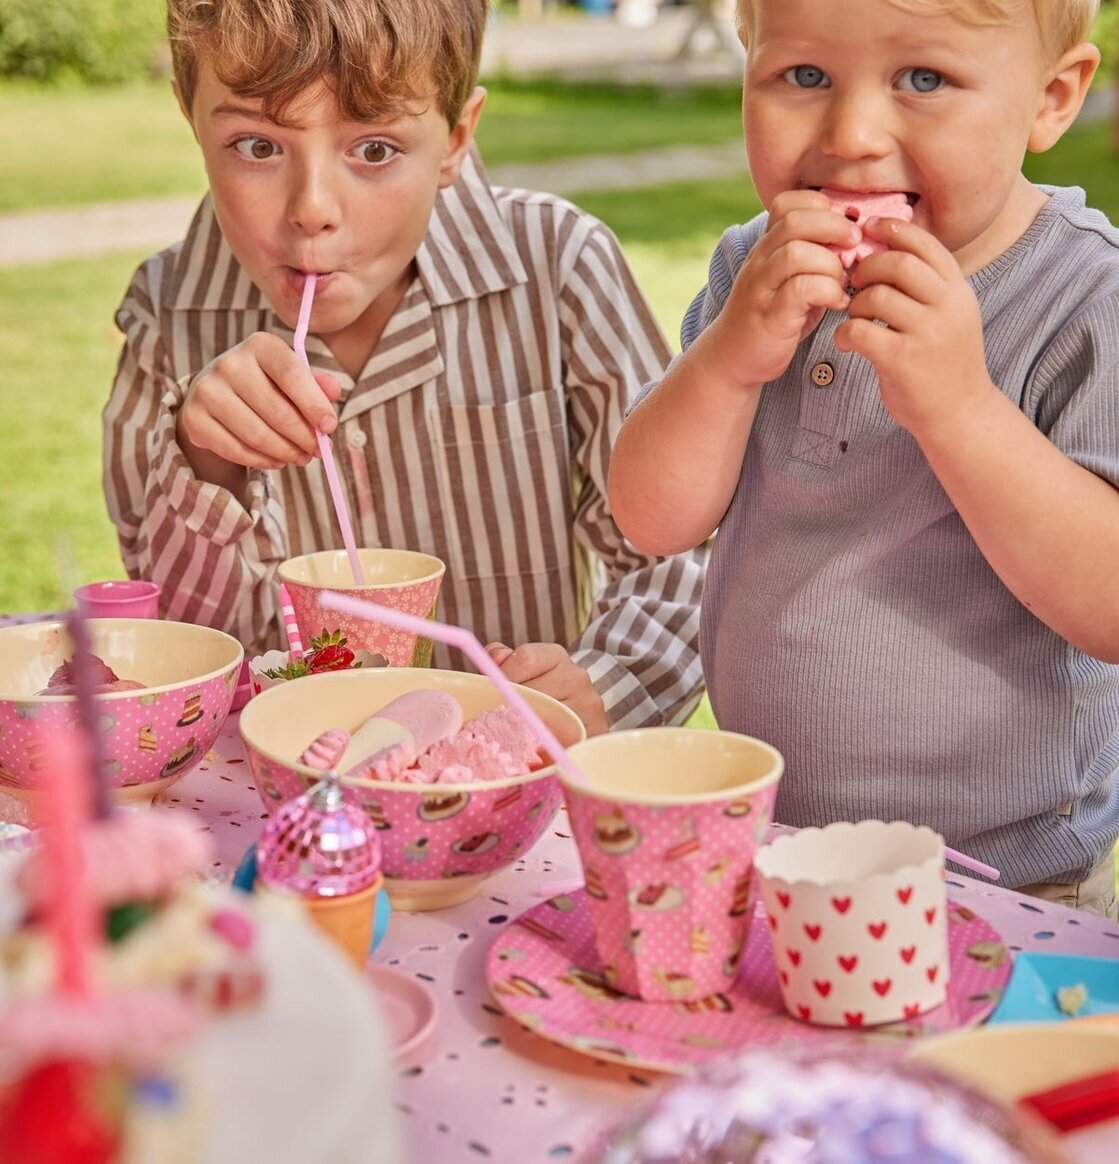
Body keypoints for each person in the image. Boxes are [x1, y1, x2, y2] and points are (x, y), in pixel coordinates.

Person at [607, 0, 1119, 916]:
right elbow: (650, 519)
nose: (850, 136)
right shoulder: (750, 270)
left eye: (923, 79)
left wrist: (960, 408)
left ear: (1050, 98)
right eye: (803, 76)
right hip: (778, 841)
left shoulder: (1085, 297)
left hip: (1005, 871)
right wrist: (728, 358)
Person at [103, 0, 707, 739]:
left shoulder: (558, 268)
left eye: (375, 149)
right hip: (290, 788)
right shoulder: (168, 314)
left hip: (516, 777)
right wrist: (208, 464)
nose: (312, 209)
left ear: (456, 138)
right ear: (191, 118)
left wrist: (605, 687)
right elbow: (182, 651)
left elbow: (681, 553)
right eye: (257, 146)